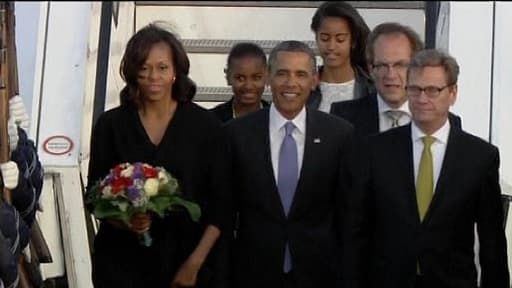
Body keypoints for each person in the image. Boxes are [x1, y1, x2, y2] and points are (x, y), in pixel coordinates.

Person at [349, 49, 509, 288]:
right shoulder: (376, 150)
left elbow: (492, 243)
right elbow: (357, 231)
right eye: (414, 89)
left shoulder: (480, 157)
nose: (422, 98)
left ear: (452, 93)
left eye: (433, 90)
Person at [85, 23, 225, 288]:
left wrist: (194, 265)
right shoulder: (111, 125)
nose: (153, 77)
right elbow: (94, 198)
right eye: (144, 68)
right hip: (121, 266)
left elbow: (222, 207)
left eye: (162, 68)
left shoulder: (206, 127)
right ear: (133, 72)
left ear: (176, 71)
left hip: (187, 264)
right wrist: (126, 220)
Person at [219, 40, 355, 288]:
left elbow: (347, 213)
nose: (291, 83)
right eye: (282, 73)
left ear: (314, 80)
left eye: (301, 74)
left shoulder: (339, 134)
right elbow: (224, 211)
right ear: (269, 77)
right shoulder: (235, 134)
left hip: (319, 273)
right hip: (252, 272)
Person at [330, 22, 461, 137]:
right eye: (382, 65)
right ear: (371, 69)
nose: (390, 75)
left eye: (400, 65)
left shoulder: (446, 122)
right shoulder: (343, 117)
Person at [307, 1, 374, 113]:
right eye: (324, 38)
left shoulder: (371, 88)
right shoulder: (306, 85)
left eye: (340, 39)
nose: (331, 46)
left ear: (353, 41)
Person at [210, 42, 270, 123]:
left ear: (267, 76)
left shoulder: (277, 119)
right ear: (228, 77)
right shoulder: (212, 121)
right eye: (240, 78)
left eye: (256, 78)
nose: (248, 86)